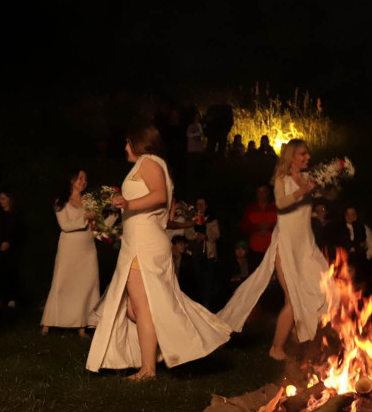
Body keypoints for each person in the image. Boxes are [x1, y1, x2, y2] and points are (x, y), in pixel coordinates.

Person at [86, 125, 231, 380]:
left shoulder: (149, 162)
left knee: (142, 307)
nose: (125, 148)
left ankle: (148, 369)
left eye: (128, 142)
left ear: (139, 143)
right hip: (139, 241)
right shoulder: (152, 163)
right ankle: (161, 350)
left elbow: (159, 196)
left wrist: (128, 203)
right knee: (136, 307)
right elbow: (159, 211)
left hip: (144, 245)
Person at [217, 139, 331, 360]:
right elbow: (281, 203)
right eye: (303, 154)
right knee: (292, 299)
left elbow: (314, 204)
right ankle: (276, 348)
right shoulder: (282, 180)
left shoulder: (308, 178)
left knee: (324, 289)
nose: (308, 158)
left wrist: (330, 183)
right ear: (291, 156)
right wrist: (302, 192)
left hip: (306, 247)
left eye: (308, 154)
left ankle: (298, 335)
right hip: (286, 247)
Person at [41, 169, 100, 338]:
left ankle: (82, 324)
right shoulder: (61, 202)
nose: (83, 181)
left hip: (88, 248)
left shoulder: (89, 201)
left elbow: (98, 224)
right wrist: (85, 217)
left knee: (87, 284)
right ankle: (49, 322)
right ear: (72, 180)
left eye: (85, 179)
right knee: (63, 283)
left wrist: (107, 217)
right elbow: (65, 225)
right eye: (80, 178)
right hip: (70, 248)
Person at [0, 190, 24, 309]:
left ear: (9, 199)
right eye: (0, 199)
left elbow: (20, 233)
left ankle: (12, 298)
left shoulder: (16, 215)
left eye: (3, 199)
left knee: (11, 273)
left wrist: (10, 242)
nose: (1, 202)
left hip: (12, 250)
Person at [185, 197, 220, 306]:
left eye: (202, 204)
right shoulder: (191, 219)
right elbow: (187, 234)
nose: (200, 206)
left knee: (208, 280)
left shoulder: (212, 219)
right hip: (195, 253)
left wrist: (206, 236)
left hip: (208, 254)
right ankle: (197, 303)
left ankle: (207, 303)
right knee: (196, 279)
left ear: (206, 206)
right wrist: (196, 235)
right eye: (198, 204)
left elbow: (216, 234)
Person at [240, 184, 277, 267]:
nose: (261, 194)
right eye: (259, 192)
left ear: (267, 193)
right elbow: (243, 227)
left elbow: (282, 226)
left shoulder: (275, 207)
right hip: (255, 251)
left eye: (263, 192)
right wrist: (257, 228)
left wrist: (269, 227)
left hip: (272, 249)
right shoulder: (250, 209)